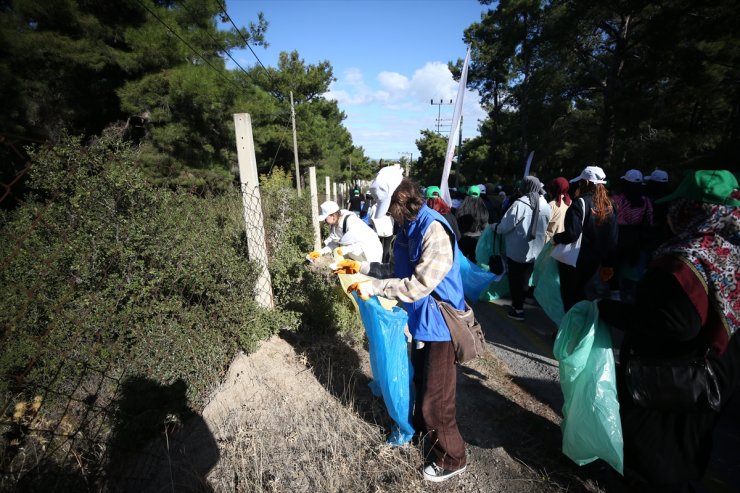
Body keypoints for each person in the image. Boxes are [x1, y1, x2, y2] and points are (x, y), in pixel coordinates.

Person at [598, 170, 740, 491]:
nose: (670, 213)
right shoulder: (729, 252)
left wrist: (610, 311)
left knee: (653, 460)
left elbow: (674, 324)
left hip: (670, 383)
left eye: (678, 205)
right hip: (715, 378)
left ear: (694, 209)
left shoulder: (684, 260)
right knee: (688, 453)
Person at [341, 171, 468, 483]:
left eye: (390, 208)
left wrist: (376, 288)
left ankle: (453, 458)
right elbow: (394, 270)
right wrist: (359, 268)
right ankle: (427, 437)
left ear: (401, 200)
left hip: (442, 326)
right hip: (422, 324)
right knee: (423, 383)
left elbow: (420, 284)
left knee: (437, 399)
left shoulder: (433, 230)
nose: (389, 216)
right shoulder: (408, 228)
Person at [552, 165, 618, 311]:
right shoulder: (611, 205)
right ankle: (582, 327)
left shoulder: (580, 203)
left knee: (570, 296)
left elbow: (572, 234)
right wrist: (608, 264)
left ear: (586, 183)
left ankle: (570, 329)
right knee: (585, 297)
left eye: (581, 182)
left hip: (575, 260)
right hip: (595, 263)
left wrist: (556, 238)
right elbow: (613, 239)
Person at [496, 176, 551, 321]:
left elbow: (505, 225)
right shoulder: (545, 204)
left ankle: (517, 309)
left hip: (517, 249)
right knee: (526, 277)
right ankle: (524, 301)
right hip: (536, 248)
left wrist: (496, 228)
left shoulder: (519, 204)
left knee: (516, 279)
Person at [610, 169, 654, 300]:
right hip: (636, 239)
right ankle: (630, 294)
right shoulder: (646, 201)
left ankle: (615, 294)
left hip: (617, 237)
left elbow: (609, 219)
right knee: (633, 267)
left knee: (614, 267)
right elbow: (650, 221)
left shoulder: (616, 199)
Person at [307, 200, 383, 262]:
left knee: (371, 278)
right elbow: (334, 243)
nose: (324, 221)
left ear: (333, 216)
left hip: (370, 253)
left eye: (325, 219)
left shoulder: (351, 221)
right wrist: (320, 252)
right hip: (356, 256)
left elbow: (362, 243)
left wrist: (346, 249)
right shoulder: (334, 226)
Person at [455, 185, 489, 262]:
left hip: (463, 240)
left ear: (467, 195)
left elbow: (458, 226)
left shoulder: (460, 210)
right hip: (478, 241)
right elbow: (485, 226)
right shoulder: (483, 210)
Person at [545, 177, 571, 243]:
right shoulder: (570, 203)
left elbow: (541, 226)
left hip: (548, 244)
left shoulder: (552, 205)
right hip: (562, 244)